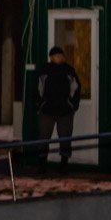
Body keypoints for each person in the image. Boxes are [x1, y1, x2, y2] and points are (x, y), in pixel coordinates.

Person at [35, 44, 81, 174]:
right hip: (47, 111)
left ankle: (64, 164)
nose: (60, 58)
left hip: (65, 112)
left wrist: (72, 105)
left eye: (61, 55)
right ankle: (42, 164)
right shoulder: (45, 71)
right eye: (57, 55)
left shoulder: (69, 71)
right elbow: (38, 89)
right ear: (51, 57)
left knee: (65, 138)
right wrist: (40, 105)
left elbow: (76, 88)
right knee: (44, 138)